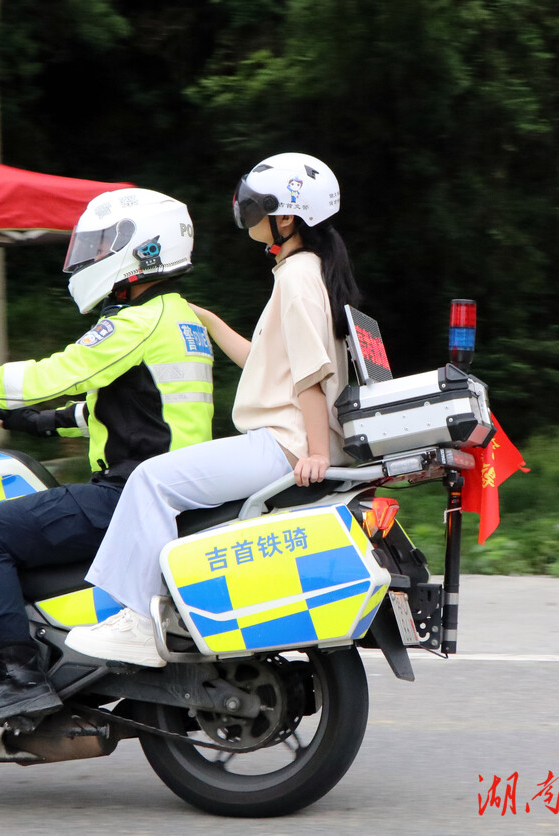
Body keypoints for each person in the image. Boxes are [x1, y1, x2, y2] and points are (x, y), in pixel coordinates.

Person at [0, 188, 214, 729]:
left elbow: (48, 375)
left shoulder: (134, 321)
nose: (90, 255)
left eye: (104, 243)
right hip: (164, 485)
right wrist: (29, 421)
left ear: (142, 247)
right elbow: (139, 412)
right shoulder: (176, 318)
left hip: (130, 495)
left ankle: (19, 678)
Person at [66, 153, 361, 667]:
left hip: (282, 443)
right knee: (162, 485)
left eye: (253, 206)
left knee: (150, 481)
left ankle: (141, 619)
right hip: (286, 438)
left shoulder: (295, 277)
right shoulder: (309, 272)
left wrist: (314, 452)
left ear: (285, 218)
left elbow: (312, 372)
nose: (244, 214)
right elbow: (267, 363)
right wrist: (207, 320)